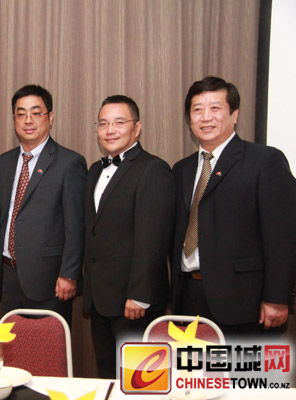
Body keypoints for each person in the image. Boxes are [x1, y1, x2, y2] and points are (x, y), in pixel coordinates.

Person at [171, 76, 296, 335]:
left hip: (244, 303)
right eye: (197, 109)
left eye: (215, 108)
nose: (206, 117)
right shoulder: (181, 169)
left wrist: (277, 297)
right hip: (189, 297)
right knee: (194, 364)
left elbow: (283, 235)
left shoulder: (265, 161)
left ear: (234, 114)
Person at [83, 95, 174, 378]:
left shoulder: (153, 169)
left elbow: (153, 238)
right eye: (103, 123)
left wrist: (139, 295)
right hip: (100, 299)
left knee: (141, 380)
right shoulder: (94, 170)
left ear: (137, 128)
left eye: (119, 122)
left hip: (133, 303)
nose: (110, 130)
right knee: (108, 375)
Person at [0, 84, 87, 326]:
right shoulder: (4, 162)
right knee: (10, 344)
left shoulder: (69, 163)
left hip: (49, 280)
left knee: (47, 347)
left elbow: (75, 225)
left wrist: (69, 273)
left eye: (36, 113)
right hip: (8, 276)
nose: (28, 120)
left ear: (51, 117)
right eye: (21, 114)